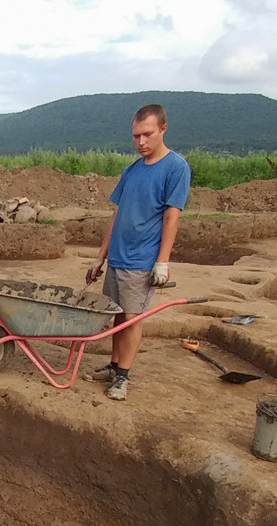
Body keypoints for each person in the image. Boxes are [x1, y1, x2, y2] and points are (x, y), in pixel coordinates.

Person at [83, 103, 191, 402]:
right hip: (118, 256)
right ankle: (114, 365)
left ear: (163, 130)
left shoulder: (175, 168)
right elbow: (116, 215)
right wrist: (100, 257)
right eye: (135, 136)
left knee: (132, 318)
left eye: (147, 134)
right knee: (117, 315)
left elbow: (171, 216)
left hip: (141, 260)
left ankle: (123, 377)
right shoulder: (131, 170)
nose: (141, 142)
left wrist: (162, 261)